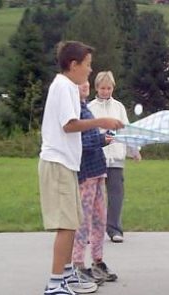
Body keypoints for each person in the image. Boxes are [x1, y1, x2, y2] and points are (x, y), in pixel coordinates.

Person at [39, 41, 124, 295]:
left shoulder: (67, 86)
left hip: (68, 165)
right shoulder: (64, 86)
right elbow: (69, 124)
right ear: (73, 65)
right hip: (58, 163)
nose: (90, 70)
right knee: (66, 226)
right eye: (87, 65)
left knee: (73, 223)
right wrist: (102, 121)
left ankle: (67, 276)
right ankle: (55, 284)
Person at [72, 80, 118, 284]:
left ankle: (97, 261)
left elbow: (90, 137)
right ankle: (78, 263)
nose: (85, 87)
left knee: (100, 217)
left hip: (99, 171)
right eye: (80, 84)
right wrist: (101, 139)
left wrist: (104, 137)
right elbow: (77, 142)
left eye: (86, 84)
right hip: (85, 173)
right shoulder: (74, 111)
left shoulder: (85, 109)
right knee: (84, 220)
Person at [88, 71, 141, 243]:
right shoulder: (90, 108)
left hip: (116, 157)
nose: (105, 91)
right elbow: (86, 132)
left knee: (116, 194)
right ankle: (90, 229)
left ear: (113, 88)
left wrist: (134, 150)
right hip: (97, 157)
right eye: (102, 88)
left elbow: (127, 130)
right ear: (96, 88)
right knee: (93, 195)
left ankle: (114, 229)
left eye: (108, 88)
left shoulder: (118, 107)